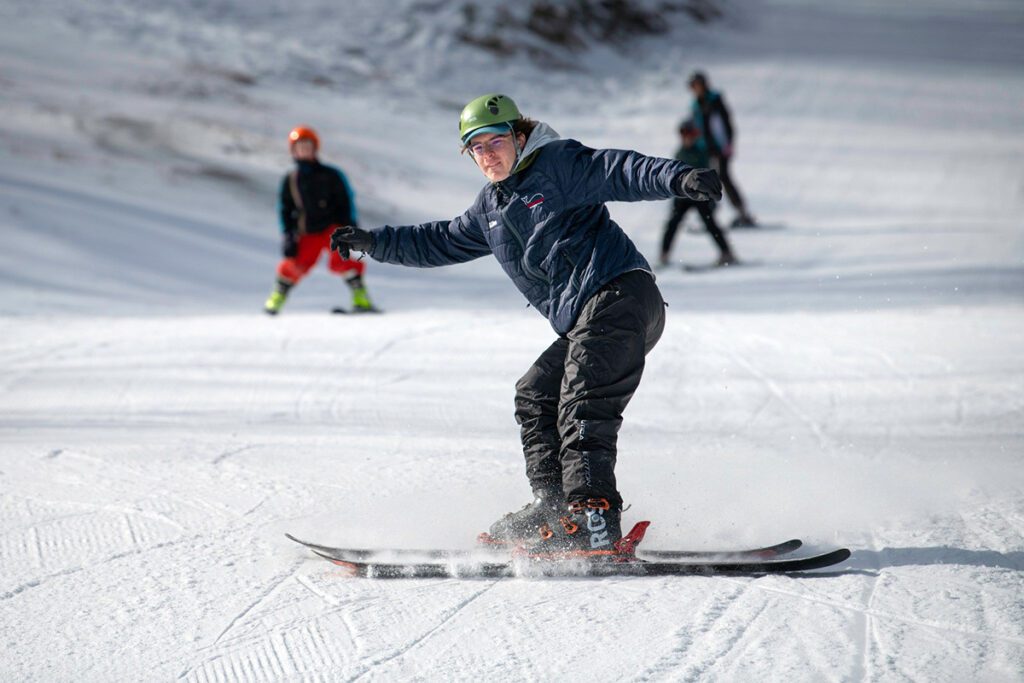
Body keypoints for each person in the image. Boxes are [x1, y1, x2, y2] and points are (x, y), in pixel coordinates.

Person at [330, 94, 722, 554]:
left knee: (582, 400)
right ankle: (552, 507)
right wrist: (376, 242)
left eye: (495, 141)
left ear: (519, 137)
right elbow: (441, 240)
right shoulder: (490, 208)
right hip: (587, 318)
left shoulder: (556, 164)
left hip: (621, 295)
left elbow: (619, 169)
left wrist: (680, 177)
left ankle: (593, 515)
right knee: (536, 392)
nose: (488, 154)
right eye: (476, 147)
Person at [264, 126, 377, 315]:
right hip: (307, 230)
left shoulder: (331, 175)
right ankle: (276, 299)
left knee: (343, 261)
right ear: (293, 150)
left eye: (307, 145)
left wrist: (351, 228)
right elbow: (285, 209)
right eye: (299, 146)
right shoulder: (291, 180)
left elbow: (345, 200)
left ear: (315, 148)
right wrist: (288, 234)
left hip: (333, 229)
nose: (304, 150)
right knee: (296, 264)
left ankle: (361, 298)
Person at [660, 119, 738, 268]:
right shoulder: (680, 152)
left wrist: (711, 197)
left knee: (710, 223)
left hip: (700, 196)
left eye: (689, 134)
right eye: (683, 134)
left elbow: (708, 175)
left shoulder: (702, 151)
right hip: (682, 196)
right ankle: (664, 254)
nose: (686, 138)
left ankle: (726, 252)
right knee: (673, 223)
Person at [688, 71, 757, 228]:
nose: (695, 89)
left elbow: (725, 125)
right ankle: (707, 216)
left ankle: (741, 212)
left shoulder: (714, 101)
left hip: (720, 149)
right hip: (705, 149)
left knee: (723, 177)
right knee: (704, 180)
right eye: (693, 86)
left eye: (696, 85)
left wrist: (727, 145)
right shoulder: (696, 104)